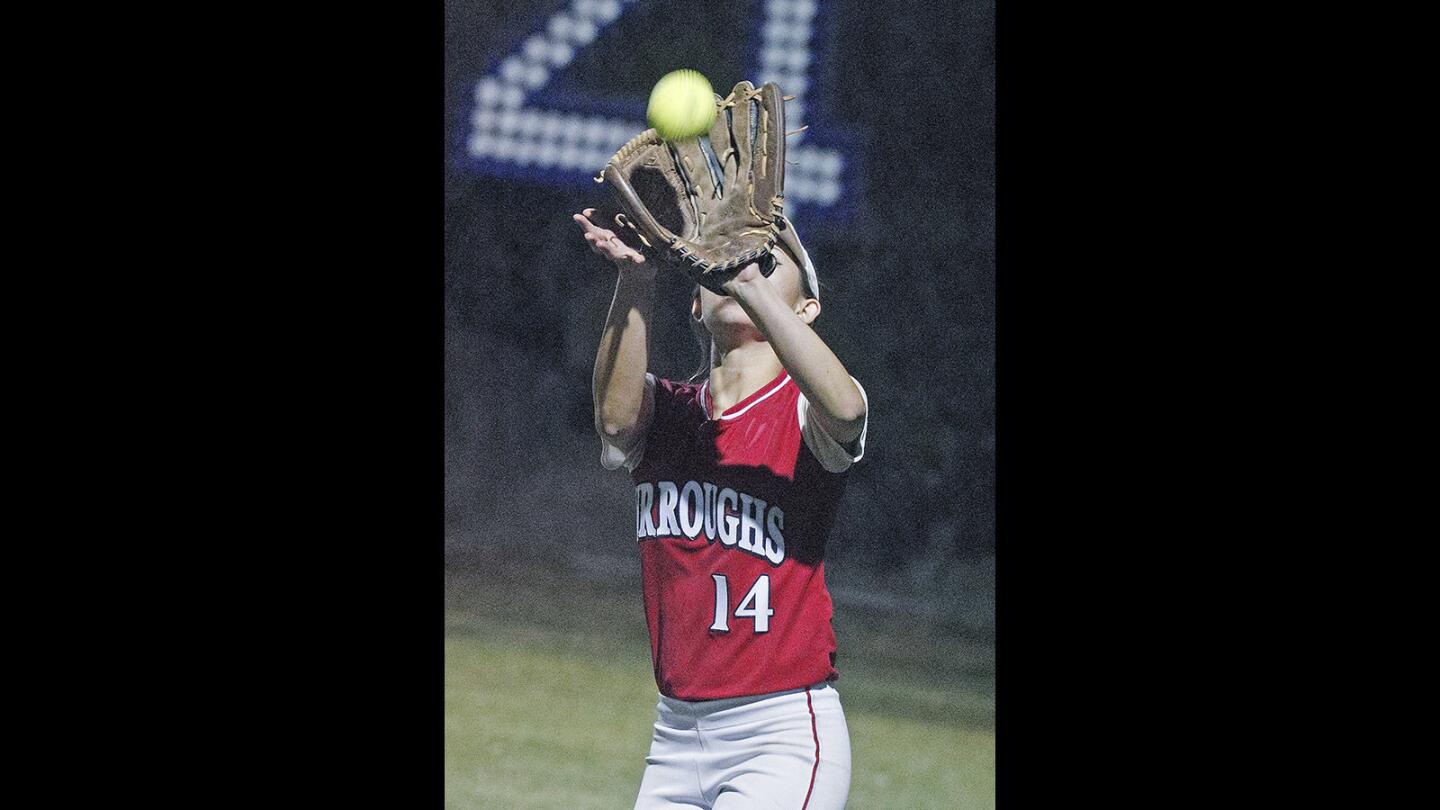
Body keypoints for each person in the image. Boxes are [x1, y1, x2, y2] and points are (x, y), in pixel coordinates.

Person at [575, 206, 867, 810]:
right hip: (675, 738)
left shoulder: (806, 411)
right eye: (726, 252)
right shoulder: (667, 414)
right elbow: (613, 419)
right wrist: (635, 278)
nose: (741, 257)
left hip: (781, 737)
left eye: (767, 252)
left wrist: (752, 285)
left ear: (806, 310)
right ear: (695, 304)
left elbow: (848, 412)